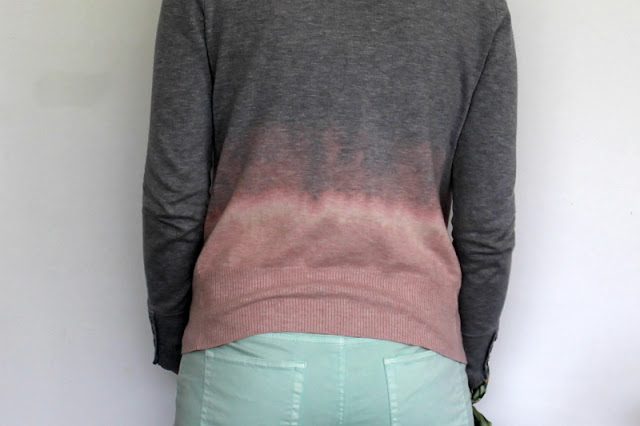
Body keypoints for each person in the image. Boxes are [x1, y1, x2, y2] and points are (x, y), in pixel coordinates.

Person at [141, 0, 517, 424]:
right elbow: (486, 226)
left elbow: (173, 202)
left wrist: (180, 337)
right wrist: (467, 360)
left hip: (244, 354)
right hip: (416, 365)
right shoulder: (479, 9)